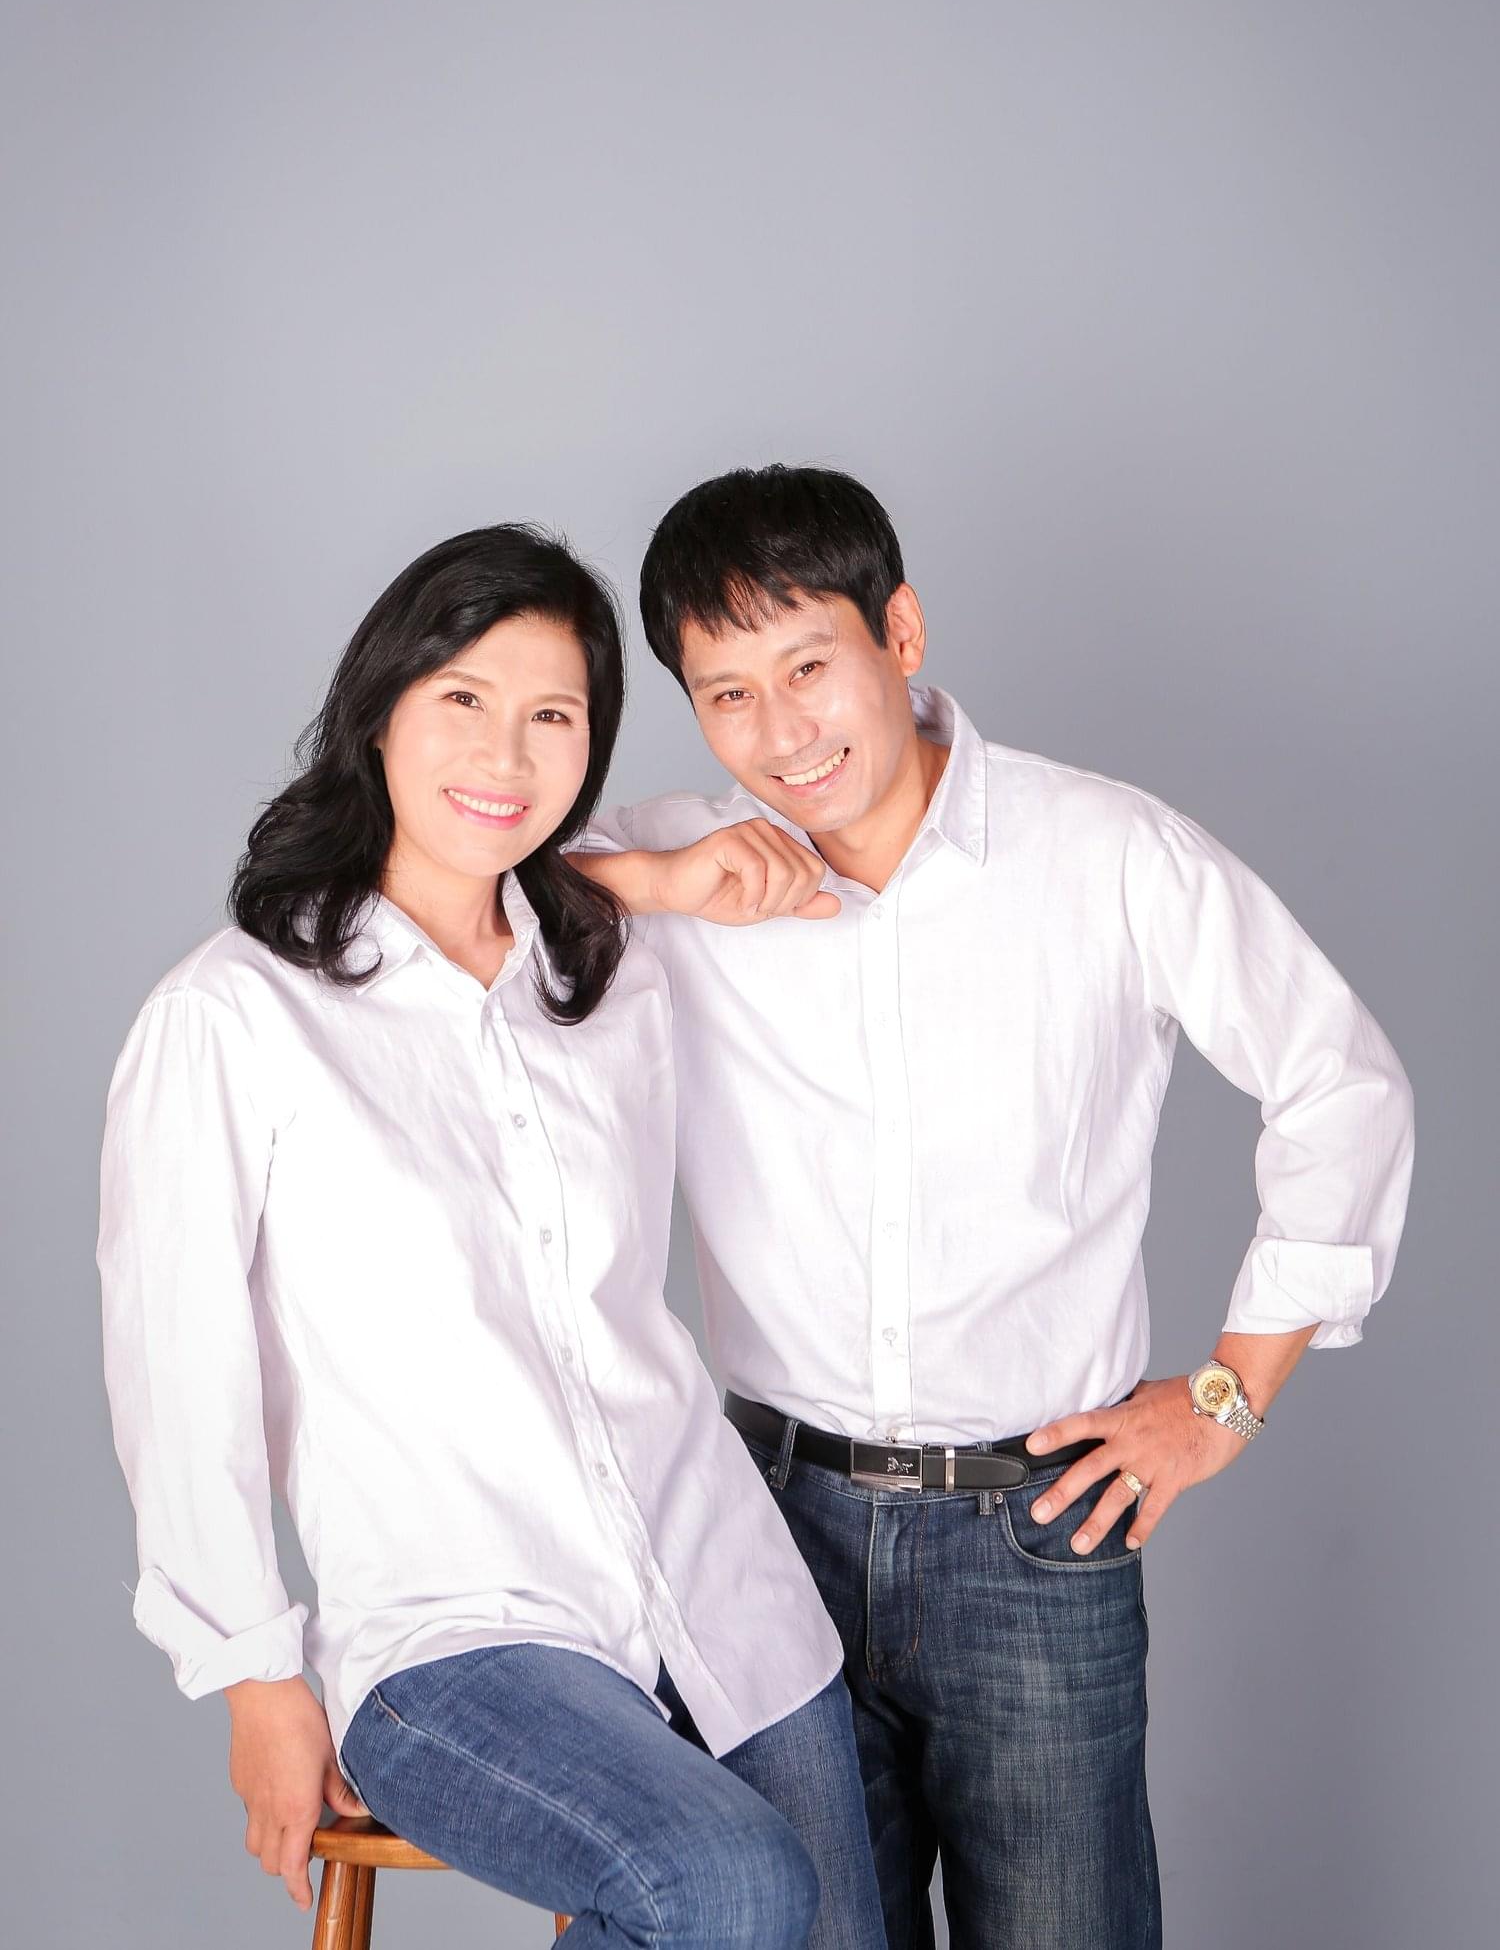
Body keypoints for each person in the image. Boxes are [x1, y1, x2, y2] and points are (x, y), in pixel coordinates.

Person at [569, 464, 1416, 1950]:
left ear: (899, 633)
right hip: (767, 1529)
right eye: (728, 695)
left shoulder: (1104, 852)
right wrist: (653, 880)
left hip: (1035, 1530)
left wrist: (1226, 1398)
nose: (782, 733)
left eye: (809, 667)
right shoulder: (686, 864)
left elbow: (1341, 1081)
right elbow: (427, 894)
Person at [98, 522, 888, 1950]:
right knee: (728, 1887)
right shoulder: (233, 1015)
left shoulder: (615, 977)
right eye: (463, 698)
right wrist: (255, 1677)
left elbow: (587, 880)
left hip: (726, 1596)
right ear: (379, 711)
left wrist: (647, 883)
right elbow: (178, 1367)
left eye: (553, 717)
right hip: (455, 1638)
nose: (505, 754)